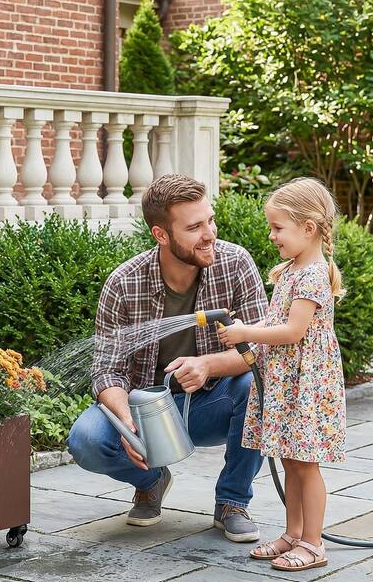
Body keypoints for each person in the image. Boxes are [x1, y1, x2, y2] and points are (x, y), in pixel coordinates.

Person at [68, 174, 269, 543]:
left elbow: (261, 350)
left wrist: (208, 364)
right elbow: (106, 370)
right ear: (161, 235)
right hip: (146, 410)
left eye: (210, 219)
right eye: (194, 227)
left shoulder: (236, 263)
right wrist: (126, 422)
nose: (209, 233)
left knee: (259, 386)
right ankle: (152, 480)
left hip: (211, 403)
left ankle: (232, 501)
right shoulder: (124, 283)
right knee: (86, 439)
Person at [217, 177, 346, 572]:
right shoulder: (290, 270)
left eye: (278, 228)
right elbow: (279, 322)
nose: (272, 235)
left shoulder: (312, 274)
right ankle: (293, 534)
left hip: (307, 383)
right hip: (287, 379)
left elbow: (293, 332)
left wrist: (245, 332)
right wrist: (251, 331)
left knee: (306, 463)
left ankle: (314, 542)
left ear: (308, 229)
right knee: (290, 459)